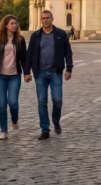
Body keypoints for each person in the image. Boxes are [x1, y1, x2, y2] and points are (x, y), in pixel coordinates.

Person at [25, 10, 73, 140]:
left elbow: (68, 52)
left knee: (57, 100)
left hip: (55, 72)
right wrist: (26, 72)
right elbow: (29, 54)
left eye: (47, 18)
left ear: (52, 19)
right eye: (43, 18)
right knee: (42, 102)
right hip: (40, 73)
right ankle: (45, 129)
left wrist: (69, 68)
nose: (45, 20)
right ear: (41, 20)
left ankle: (56, 121)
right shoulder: (36, 36)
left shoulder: (60, 34)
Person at [0, 15, 27, 140]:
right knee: (2, 104)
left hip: (14, 75)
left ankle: (14, 120)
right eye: (12, 23)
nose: (15, 25)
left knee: (13, 103)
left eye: (16, 23)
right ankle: (4, 131)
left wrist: (26, 73)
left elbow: (24, 58)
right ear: (5, 25)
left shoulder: (20, 39)